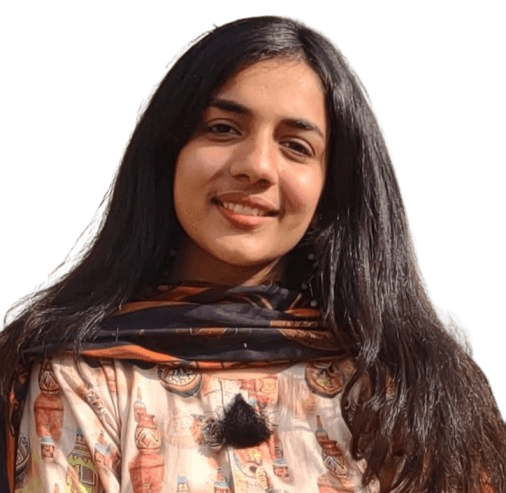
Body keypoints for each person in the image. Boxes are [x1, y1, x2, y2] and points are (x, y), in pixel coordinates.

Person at [1, 15, 505, 493]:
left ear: (332, 189)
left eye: (296, 146)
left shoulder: (406, 391)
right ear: (168, 153)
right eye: (223, 128)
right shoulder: (84, 376)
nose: (257, 166)